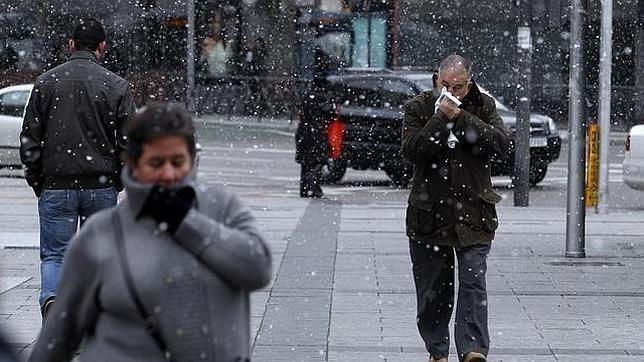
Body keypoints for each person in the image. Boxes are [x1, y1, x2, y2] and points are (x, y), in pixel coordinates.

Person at [28, 102, 273, 362]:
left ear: (192, 160)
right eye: (156, 162)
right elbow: (58, 336)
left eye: (177, 161)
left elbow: (257, 269)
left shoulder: (222, 207)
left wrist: (184, 222)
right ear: (133, 164)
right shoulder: (101, 234)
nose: (168, 173)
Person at [19, 17, 136, 319]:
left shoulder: (46, 83)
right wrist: (118, 180)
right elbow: (129, 143)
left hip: (56, 183)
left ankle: (55, 299)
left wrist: (38, 180)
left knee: (56, 254)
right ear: (102, 47)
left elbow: (31, 138)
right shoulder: (117, 86)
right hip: (100, 184)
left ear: (71, 44)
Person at [401, 54, 511, 362]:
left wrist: (461, 118)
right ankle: (438, 351)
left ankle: (473, 350)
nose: (451, 92)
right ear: (436, 78)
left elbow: (502, 144)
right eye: (445, 84)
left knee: (473, 282)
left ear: (469, 82)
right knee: (433, 290)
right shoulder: (418, 108)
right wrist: (440, 119)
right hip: (429, 216)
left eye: (458, 87)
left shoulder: (483, 105)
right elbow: (413, 151)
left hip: (474, 214)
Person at [295, 47, 333, 198]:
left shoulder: (309, 96)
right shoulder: (322, 97)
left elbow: (303, 112)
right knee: (316, 161)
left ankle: (305, 188)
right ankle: (313, 187)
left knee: (306, 162)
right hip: (315, 131)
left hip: (305, 131)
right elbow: (328, 113)